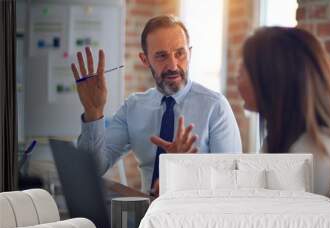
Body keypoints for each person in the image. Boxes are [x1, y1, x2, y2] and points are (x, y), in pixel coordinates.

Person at [71, 15, 242, 197]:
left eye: (180, 53)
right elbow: (92, 169)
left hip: (197, 218)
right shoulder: (133, 108)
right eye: (161, 56)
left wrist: (186, 170)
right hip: (149, 217)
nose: (173, 65)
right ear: (145, 60)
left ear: (189, 53)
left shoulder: (215, 107)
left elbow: (233, 183)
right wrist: (93, 112)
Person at [237, 26, 330, 197]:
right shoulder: (276, 141)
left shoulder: (315, 153)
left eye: (244, 69)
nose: (237, 78)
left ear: (272, 79)